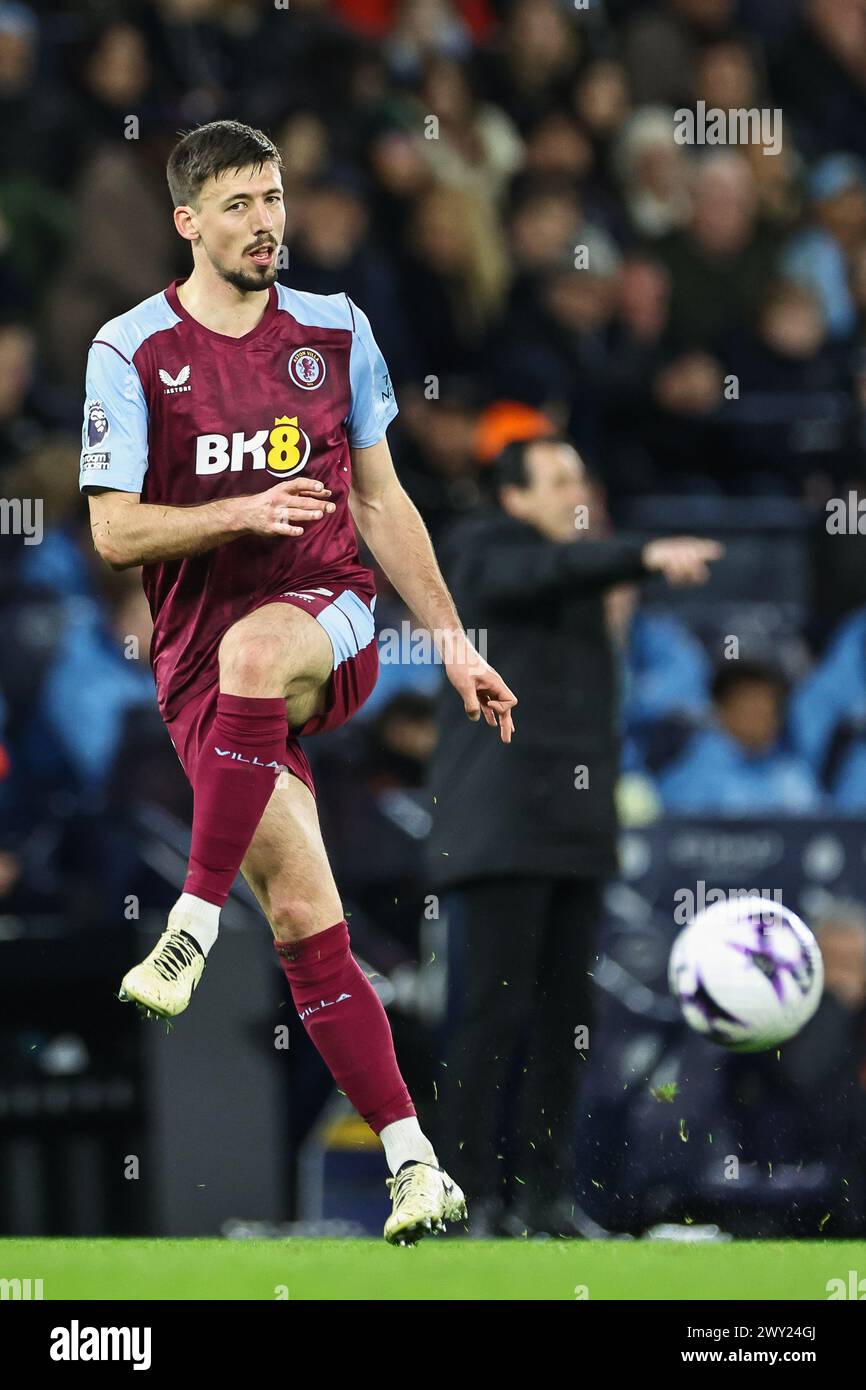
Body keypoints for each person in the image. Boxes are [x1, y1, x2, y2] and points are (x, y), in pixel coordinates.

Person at [78, 119, 517, 1246]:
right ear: (187, 221)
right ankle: (415, 1164)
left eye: (272, 199)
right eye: (236, 205)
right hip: (198, 679)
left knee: (257, 652)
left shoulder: (335, 328)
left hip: (328, 621)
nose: (265, 222)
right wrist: (237, 511)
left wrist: (455, 642)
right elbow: (116, 533)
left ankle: (184, 919)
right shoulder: (130, 350)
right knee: (303, 917)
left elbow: (379, 501)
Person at [425, 434, 721, 1237]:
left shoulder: (586, 577)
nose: (573, 490)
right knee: (490, 1021)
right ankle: (467, 1198)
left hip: (574, 831)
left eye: (578, 476)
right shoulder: (482, 550)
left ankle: (543, 1197)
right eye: (556, 479)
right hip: (500, 827)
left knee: (565, 1021)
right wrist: (643, 555)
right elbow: (544, 570)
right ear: (514, 498)